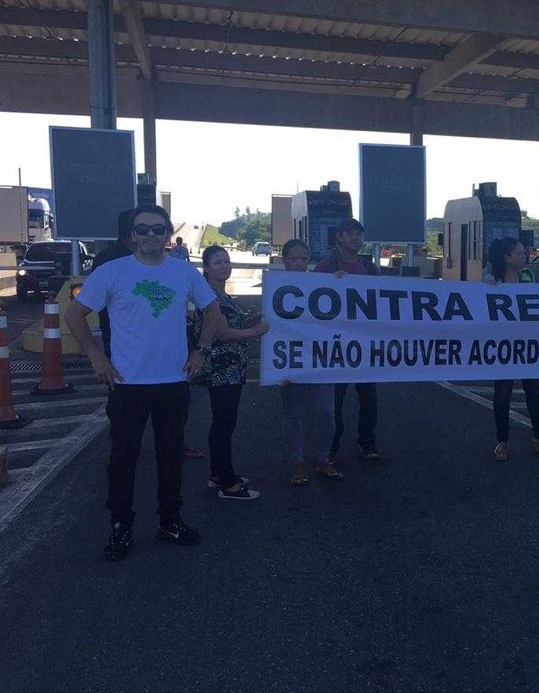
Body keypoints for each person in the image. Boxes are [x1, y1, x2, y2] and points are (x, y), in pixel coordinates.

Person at [64, 206, 223, 562]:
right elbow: (74, 314)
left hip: (173, 381)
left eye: (158, 229)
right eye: (143, 229)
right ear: (132, 235)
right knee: (123, 458)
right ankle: (120, 525)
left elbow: (213, 311)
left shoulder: (183, 272)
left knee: (170, 457)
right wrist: (96, 355)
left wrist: (202, 350)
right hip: (127, 384)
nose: (151, 235)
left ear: (168, 234)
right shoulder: (111, 272)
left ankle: (170, 520)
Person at [190, 245, 269, 500]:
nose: (224, 266)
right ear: (206, 268)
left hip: (231, 369)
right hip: (221, 370)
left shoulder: (220, 295)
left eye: (226, 261)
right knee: (224, 425)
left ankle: (218, 473)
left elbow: (231, 325)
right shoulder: (210, 297)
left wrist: (249, 321)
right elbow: (223, 334)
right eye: (217, 262)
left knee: (224, 423)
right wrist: (255, 332)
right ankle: (228, 482)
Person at [314, 217, 382, 461]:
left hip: (365, 343)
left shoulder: (371, 268)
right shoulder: (325, 267)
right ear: (339, 237)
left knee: (369, 399)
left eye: (359, 234)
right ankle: (331, 446)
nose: (356, 238)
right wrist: (331, 284)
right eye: (351, 233)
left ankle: (367, 442)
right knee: (335, 400)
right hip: (335, 344)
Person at [484, 237, 539, 462]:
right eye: (518, 253)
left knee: (534, 392)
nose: (524, 256)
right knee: (502, 395)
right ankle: (502, 441)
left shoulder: (528, 276)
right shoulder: (491, 280)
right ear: (506, 258)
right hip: (503, 345)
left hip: (528, 343)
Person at [278, 239, 342, 483]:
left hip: (321, 358)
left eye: (303, 259)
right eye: (293, 258)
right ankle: (298, 464)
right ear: (284, 260)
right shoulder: (276, 286)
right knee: (292, 413)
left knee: (326, 412)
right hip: (289, 358)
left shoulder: (322, 282)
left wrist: (342, 283)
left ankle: (323, 459)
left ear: (309, 261)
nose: (298, 263)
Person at [92, 209, 136, 358]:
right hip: (117, 336)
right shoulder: (107, 261)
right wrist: (95, 356)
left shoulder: (152, 258)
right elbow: (75, 314)